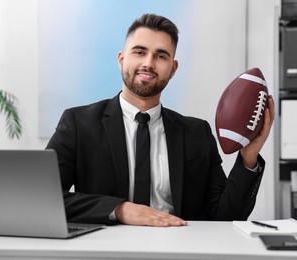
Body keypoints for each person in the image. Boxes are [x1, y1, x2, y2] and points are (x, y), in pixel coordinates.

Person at [46, 13, 275, 227]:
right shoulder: (78, 123)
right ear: (121, 60)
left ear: (173, 68)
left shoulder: (197, 133)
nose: (149, 63)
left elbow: (225, 217)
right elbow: (45, 196)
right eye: (139, 52)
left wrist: (248, 157)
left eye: (161, 55)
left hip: (179, 249)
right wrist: (119, 209)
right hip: (106, 249)